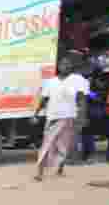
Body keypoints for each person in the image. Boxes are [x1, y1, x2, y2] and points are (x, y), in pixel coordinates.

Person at [32, 53, 89, 181]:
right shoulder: (51, 82)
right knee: (46, 145)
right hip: (53, 118)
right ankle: (39, 173)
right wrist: (36, 113)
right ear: (59, 66)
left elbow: (82, 99)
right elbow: (44, 99)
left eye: (68, 64)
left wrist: (82, 116)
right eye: (63, 64)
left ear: (71, 67)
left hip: (69, 117)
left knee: (63, 146)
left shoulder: (78, 80)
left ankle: (59, 168)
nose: (65, 66)